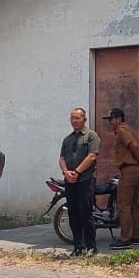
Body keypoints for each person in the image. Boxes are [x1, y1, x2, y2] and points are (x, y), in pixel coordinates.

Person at [59, 108, 101, 256]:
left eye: (77, 118)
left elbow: (92, 156)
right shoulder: (67, 139)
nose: (74, 121)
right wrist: (66, 172)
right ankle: (78, 247)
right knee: (73, 214)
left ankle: (91, 247)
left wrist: (77, 172)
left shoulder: (91, 136)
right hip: (70, 181)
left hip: (85, 180)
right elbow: (62, 158)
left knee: (86, 213)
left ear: (84, 119)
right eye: (72, 118)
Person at [104, 108, 139, 249]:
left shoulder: (122, 130)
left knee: (123, 204)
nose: (110, 123)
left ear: (118, 119)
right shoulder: (126, 129)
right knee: (132, 205)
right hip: (132, 170)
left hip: (130, 169)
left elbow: (134, 145)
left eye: (111, 119)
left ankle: (125, 237)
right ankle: (136, 235)